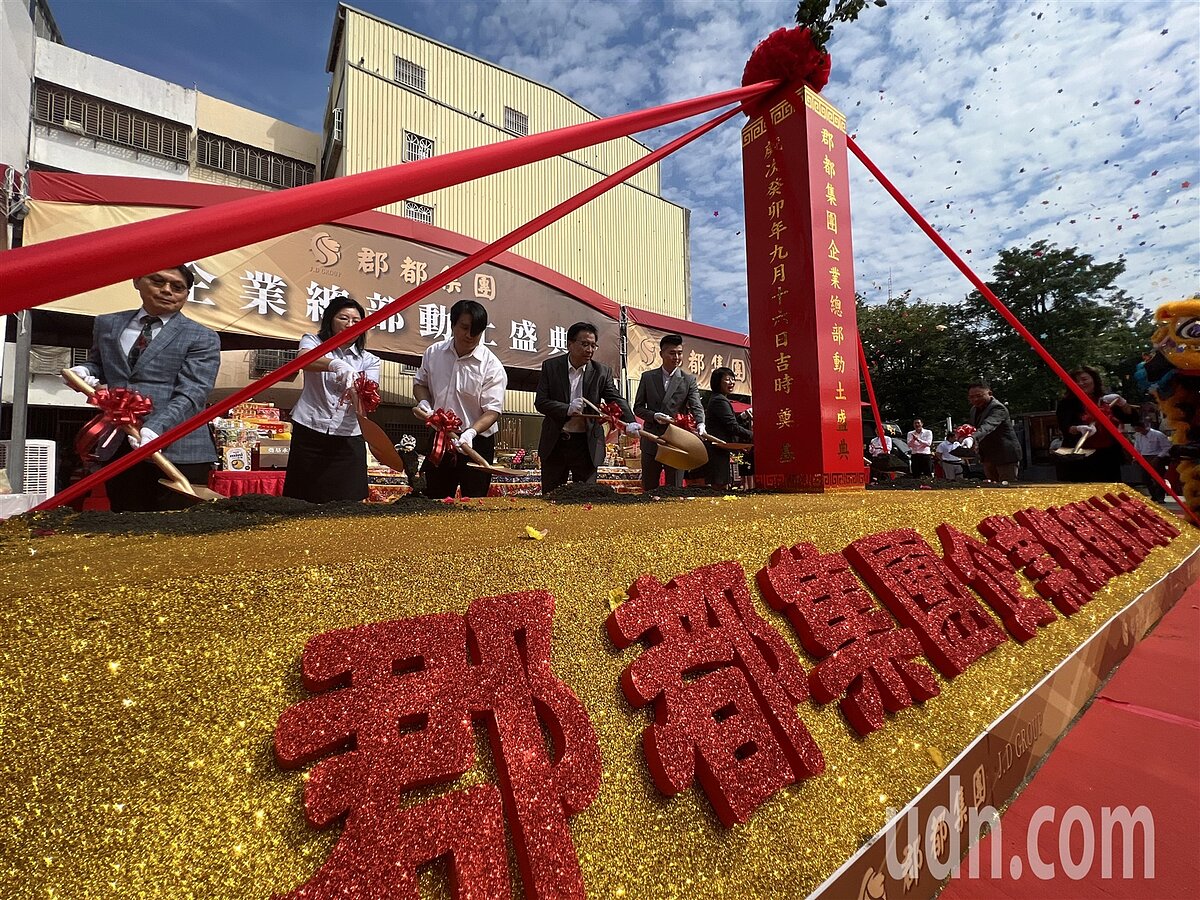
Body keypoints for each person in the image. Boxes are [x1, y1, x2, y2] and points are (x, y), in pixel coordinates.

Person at [65, 265, 219, 512]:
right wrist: (85, 371)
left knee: (177, 532)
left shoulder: (202, 337)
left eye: (177, 287)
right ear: (137, 281)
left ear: (186, 294)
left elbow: (194, 391)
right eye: (158, 281)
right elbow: (101, 364)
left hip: (179, 447)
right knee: (126, 521)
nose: (167, 290)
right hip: (121, 443)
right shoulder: (108, 324)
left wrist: (156, 428)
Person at [282, 296, 381, 503]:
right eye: (343, 318)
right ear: (330, 320)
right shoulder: (313, 341)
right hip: (310, 430)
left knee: (349, 501)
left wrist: (357, 392)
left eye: (356, 321)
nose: (350, 324)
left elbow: (369, 397)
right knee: (301, 499)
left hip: (348, 435)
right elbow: (304, 359)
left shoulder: (370, 360)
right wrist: (335, 364)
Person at [414, 299, 507, 499]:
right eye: (465, 328)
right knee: (435, 498)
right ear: (452, 324)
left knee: (474, 501)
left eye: (477, 331)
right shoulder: (434, 353)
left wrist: (471, 432)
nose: (470, 335)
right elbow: (420, 384)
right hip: (441, 436)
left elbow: (492, 410)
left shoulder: (492, 366)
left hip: (475, 441)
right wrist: (424, 403)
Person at [534, 322, 639, 493]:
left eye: (593, 345)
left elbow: (616, 398)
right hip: (556, 442)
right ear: (569, 344)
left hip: (586, 444)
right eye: (584, 344)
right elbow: (541, 402)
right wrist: (566, 408)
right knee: (552, 496)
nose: (589, 349)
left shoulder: (601, 372)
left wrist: (630, 421)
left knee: (585, 498)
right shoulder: (551, 367)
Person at [633, 333, 705, 491]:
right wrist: (654, 416)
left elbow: (696, 405)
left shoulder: (688, 380)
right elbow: (637, 407)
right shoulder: (647, 377)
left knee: (674, 490)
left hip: (676, 440)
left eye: (679, 353)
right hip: (652, 439)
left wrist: (701, 423)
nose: (677, 357)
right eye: (672, 353)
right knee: (649, 488)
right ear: (661, 354)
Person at [1055, 366, 1139, 483]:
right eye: (1076, 381)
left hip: (1108, 455)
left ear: (1094, 379)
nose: (1080, 383)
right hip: (1082, 456)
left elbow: (1132, 418)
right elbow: (1065, 426)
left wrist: (1122, 403)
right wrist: (1079, 429)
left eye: (1084, 379)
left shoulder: (1107, 400)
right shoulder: (1067, 403)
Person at [704, 366, 753, 489]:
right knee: (720, 486)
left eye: (733, 379)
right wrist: (753, 435)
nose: (731, 382)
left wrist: (743, 416)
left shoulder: (719, 399)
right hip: (718, 448)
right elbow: (732, 427)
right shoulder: (719, 400)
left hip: (721, 449)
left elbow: (730, 423)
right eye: (727, 379)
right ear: (717, 382)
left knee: (722, 485)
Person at [965, 381, 1021, 483]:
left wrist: (972, 438)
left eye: (978, 396)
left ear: (990, 393)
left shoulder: (998, 408)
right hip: (987, 456)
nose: (975, 399)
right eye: (971, 397)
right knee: (991, 488)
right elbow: (975, 428)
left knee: (1007, 487)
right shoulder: (973, 409)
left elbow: (988, 425)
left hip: (1005, 455)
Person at [1131, 420, 1171, 503]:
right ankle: (1154, 495)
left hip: (1157, 457)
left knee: (1158, 478)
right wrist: (1135, 457)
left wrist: (1159, 457)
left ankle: (1160, 497)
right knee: (1145, 478)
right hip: (1144, 457)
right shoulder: (1138, 436)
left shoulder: (1158, 434)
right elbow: (1137, 448)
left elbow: (1167, 447)